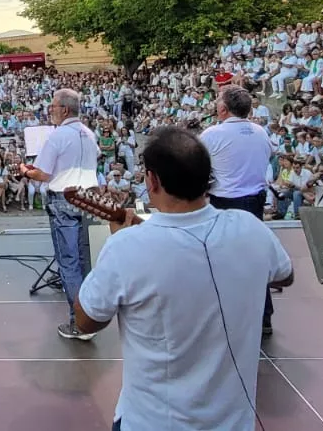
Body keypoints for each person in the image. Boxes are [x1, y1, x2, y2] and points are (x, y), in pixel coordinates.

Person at [74, 127, 294, 430]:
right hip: (234, 422)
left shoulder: (127, 247)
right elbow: (285, 275)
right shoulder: (251, 228)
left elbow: (87, 321)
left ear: (152, 180)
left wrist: (119, 247)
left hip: (152, 422)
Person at [18, 88, 100, 341]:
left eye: (52, 106)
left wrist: (25, 170)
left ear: (64, 109)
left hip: (64, 200)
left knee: (69, 263)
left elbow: (43, 173)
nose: (49, 110)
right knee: (85, 262)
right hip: (87, 199)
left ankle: (80, 324)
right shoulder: (88, 133)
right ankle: (92, 317)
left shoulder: (58, 136)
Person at [198, 84, 278, 336]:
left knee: (222, 260)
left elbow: (198, 165)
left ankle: (228, 316)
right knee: (255, 256)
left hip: (225, 201)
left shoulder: (213, 134)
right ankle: (263, 316)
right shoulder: (260, 131)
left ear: (222, 109)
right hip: (255, 201)